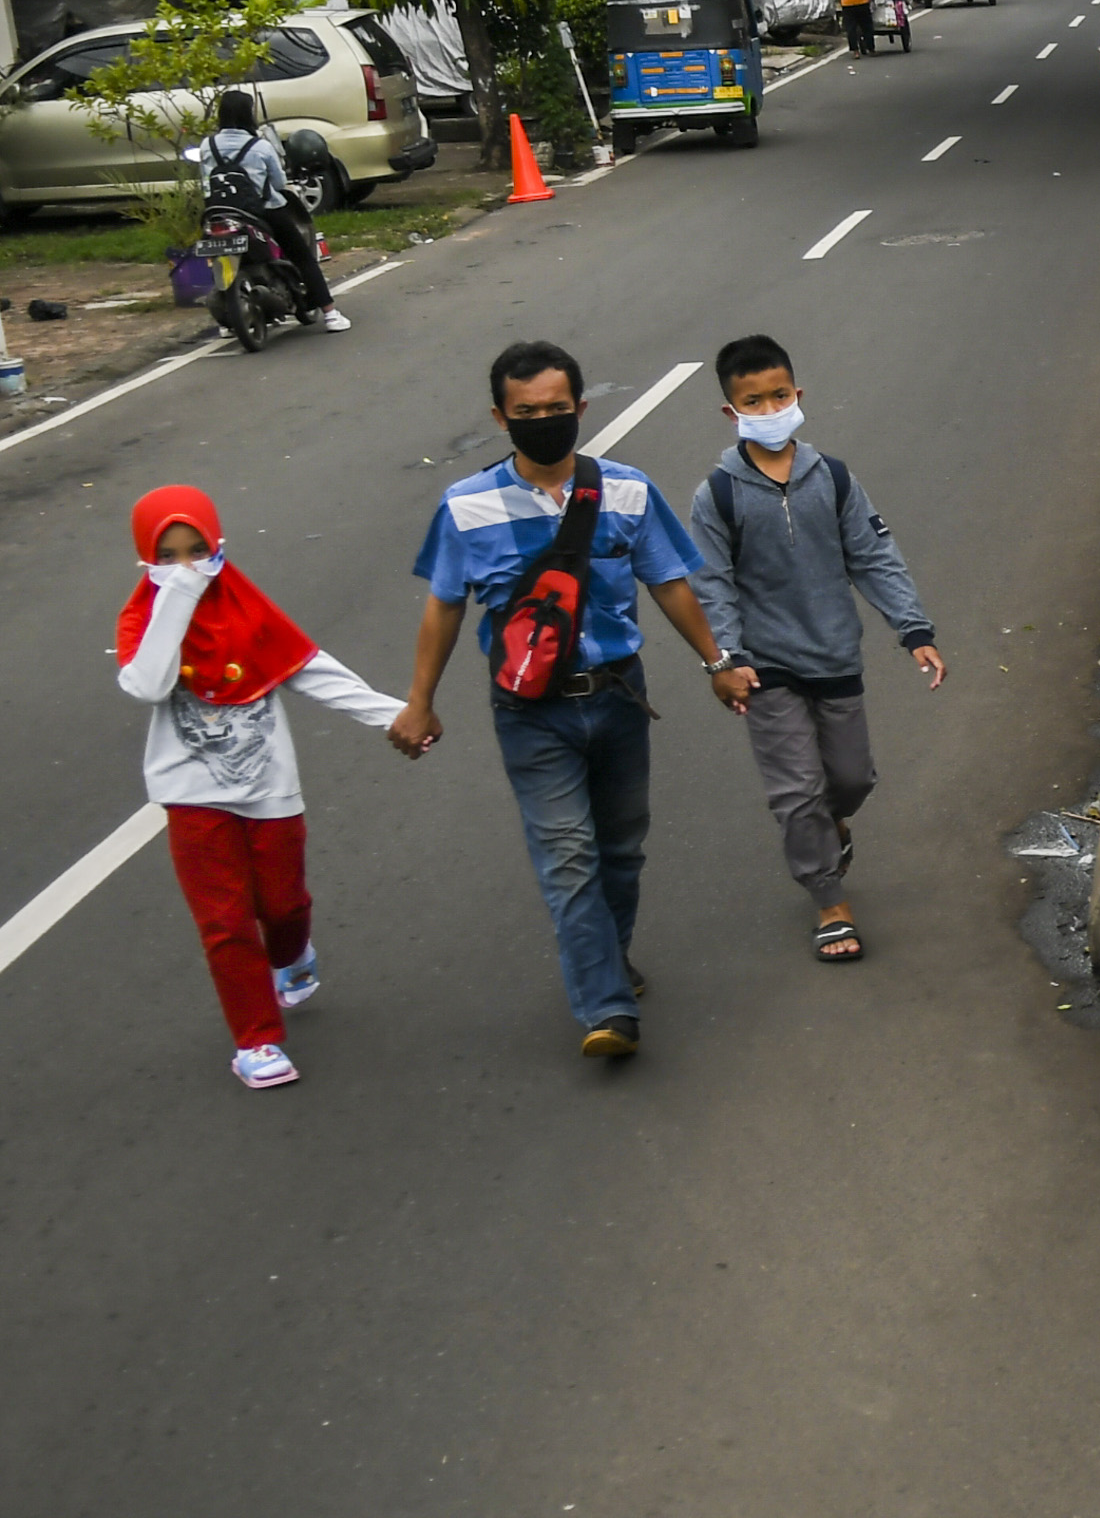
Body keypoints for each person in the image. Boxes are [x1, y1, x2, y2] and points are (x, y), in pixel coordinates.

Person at [389, 340, 739, 1063]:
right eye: (527, 412)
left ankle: (608, 955)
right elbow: (444, 608)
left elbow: (670, 582)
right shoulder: (465, 505)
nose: (543, 420)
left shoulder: (628, 491)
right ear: (500, 416)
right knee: (569, 856)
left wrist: (718, 661)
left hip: (617, 698)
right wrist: (418, 702)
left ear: (580, 409)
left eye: (556, 409)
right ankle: (606, 1006)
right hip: (529, 712)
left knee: (620, 848)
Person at [114, 483, 413, 1089]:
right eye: (166, 556)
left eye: (197, 550)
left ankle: (292, 952)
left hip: (268, 785)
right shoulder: (141, 618)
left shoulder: (248, 609)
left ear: (218, 543)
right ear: (145, 558)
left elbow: (312, 671)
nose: (185, 568)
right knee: (224, 921)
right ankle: (257, 1040)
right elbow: (147, 684)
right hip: (190, 790)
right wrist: (176, 599)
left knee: (282, 904)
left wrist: (396, 713)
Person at [686, 334, 947, 964]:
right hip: (764, 664)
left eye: (780, 395)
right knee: (797, 790)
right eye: (755, 400)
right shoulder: (715, 496)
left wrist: (913, 631)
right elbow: (711, 583)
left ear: (798, 394)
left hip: (835, 654)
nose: (771, 408)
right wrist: (726, 659)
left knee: (851, 778)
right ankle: (830, 902)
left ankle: (836, 825)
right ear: (732, 412)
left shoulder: (831, 478)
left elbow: (874, 555)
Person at [203, 88, 343, 330]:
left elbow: (205, 182)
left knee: (216, 258)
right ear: (248, 115)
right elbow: (278, 184)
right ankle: (331, 314)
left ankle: (226, 326)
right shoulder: (261, 147)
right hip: (261, 212)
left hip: (219, 213)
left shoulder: (207, 145)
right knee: (302, 257)